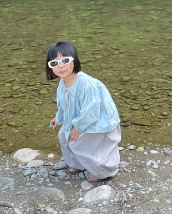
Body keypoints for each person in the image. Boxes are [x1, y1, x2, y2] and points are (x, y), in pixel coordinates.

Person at [46, 41, 121, 182]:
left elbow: (92, 111)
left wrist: (78, 129)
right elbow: (63, 105)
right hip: (81, 119)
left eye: (65, 61)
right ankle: (78, 164)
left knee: (78, 142)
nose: (60, 66)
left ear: (74, 60)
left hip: (99, 120)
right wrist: (58, 118)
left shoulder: (87, 84)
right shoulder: (63, 83)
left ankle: (104, 171)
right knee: (63, 135)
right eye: (54, 63)